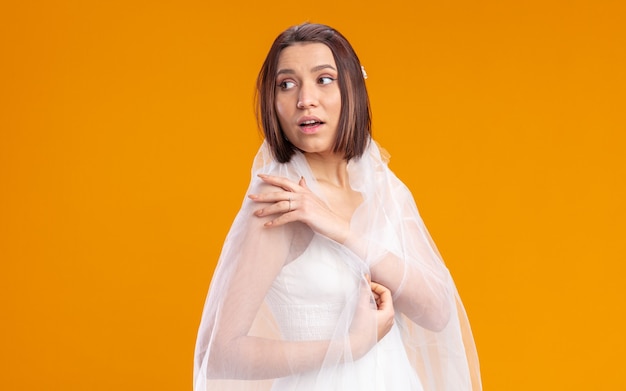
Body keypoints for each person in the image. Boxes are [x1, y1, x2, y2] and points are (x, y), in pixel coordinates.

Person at [193, 22, 481, 391]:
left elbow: (438, 312)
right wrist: (349, 347)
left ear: (352, 91)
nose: (304, 99)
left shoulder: (384, 188)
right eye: (286, 84)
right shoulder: (281, 202)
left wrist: (343, 232)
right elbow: (218, 354)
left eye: (323, 79)